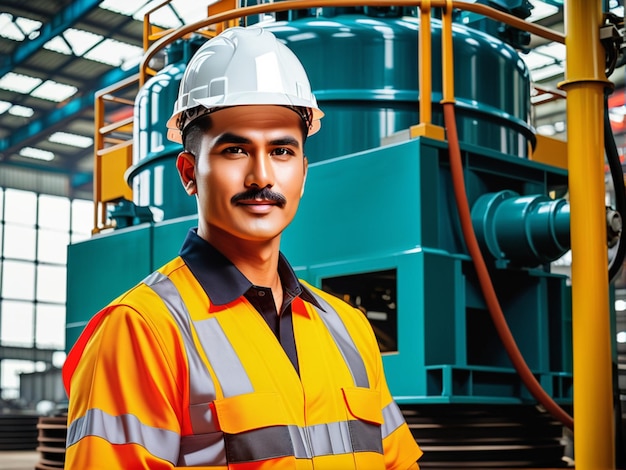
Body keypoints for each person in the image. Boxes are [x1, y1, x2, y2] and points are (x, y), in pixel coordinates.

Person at [62, 26, 423, 469]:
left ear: (304, 173)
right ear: (189, 172)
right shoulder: (140, 332)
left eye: (282, 152)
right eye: (235, 150)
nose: (262, 177)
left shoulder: (350, 330)